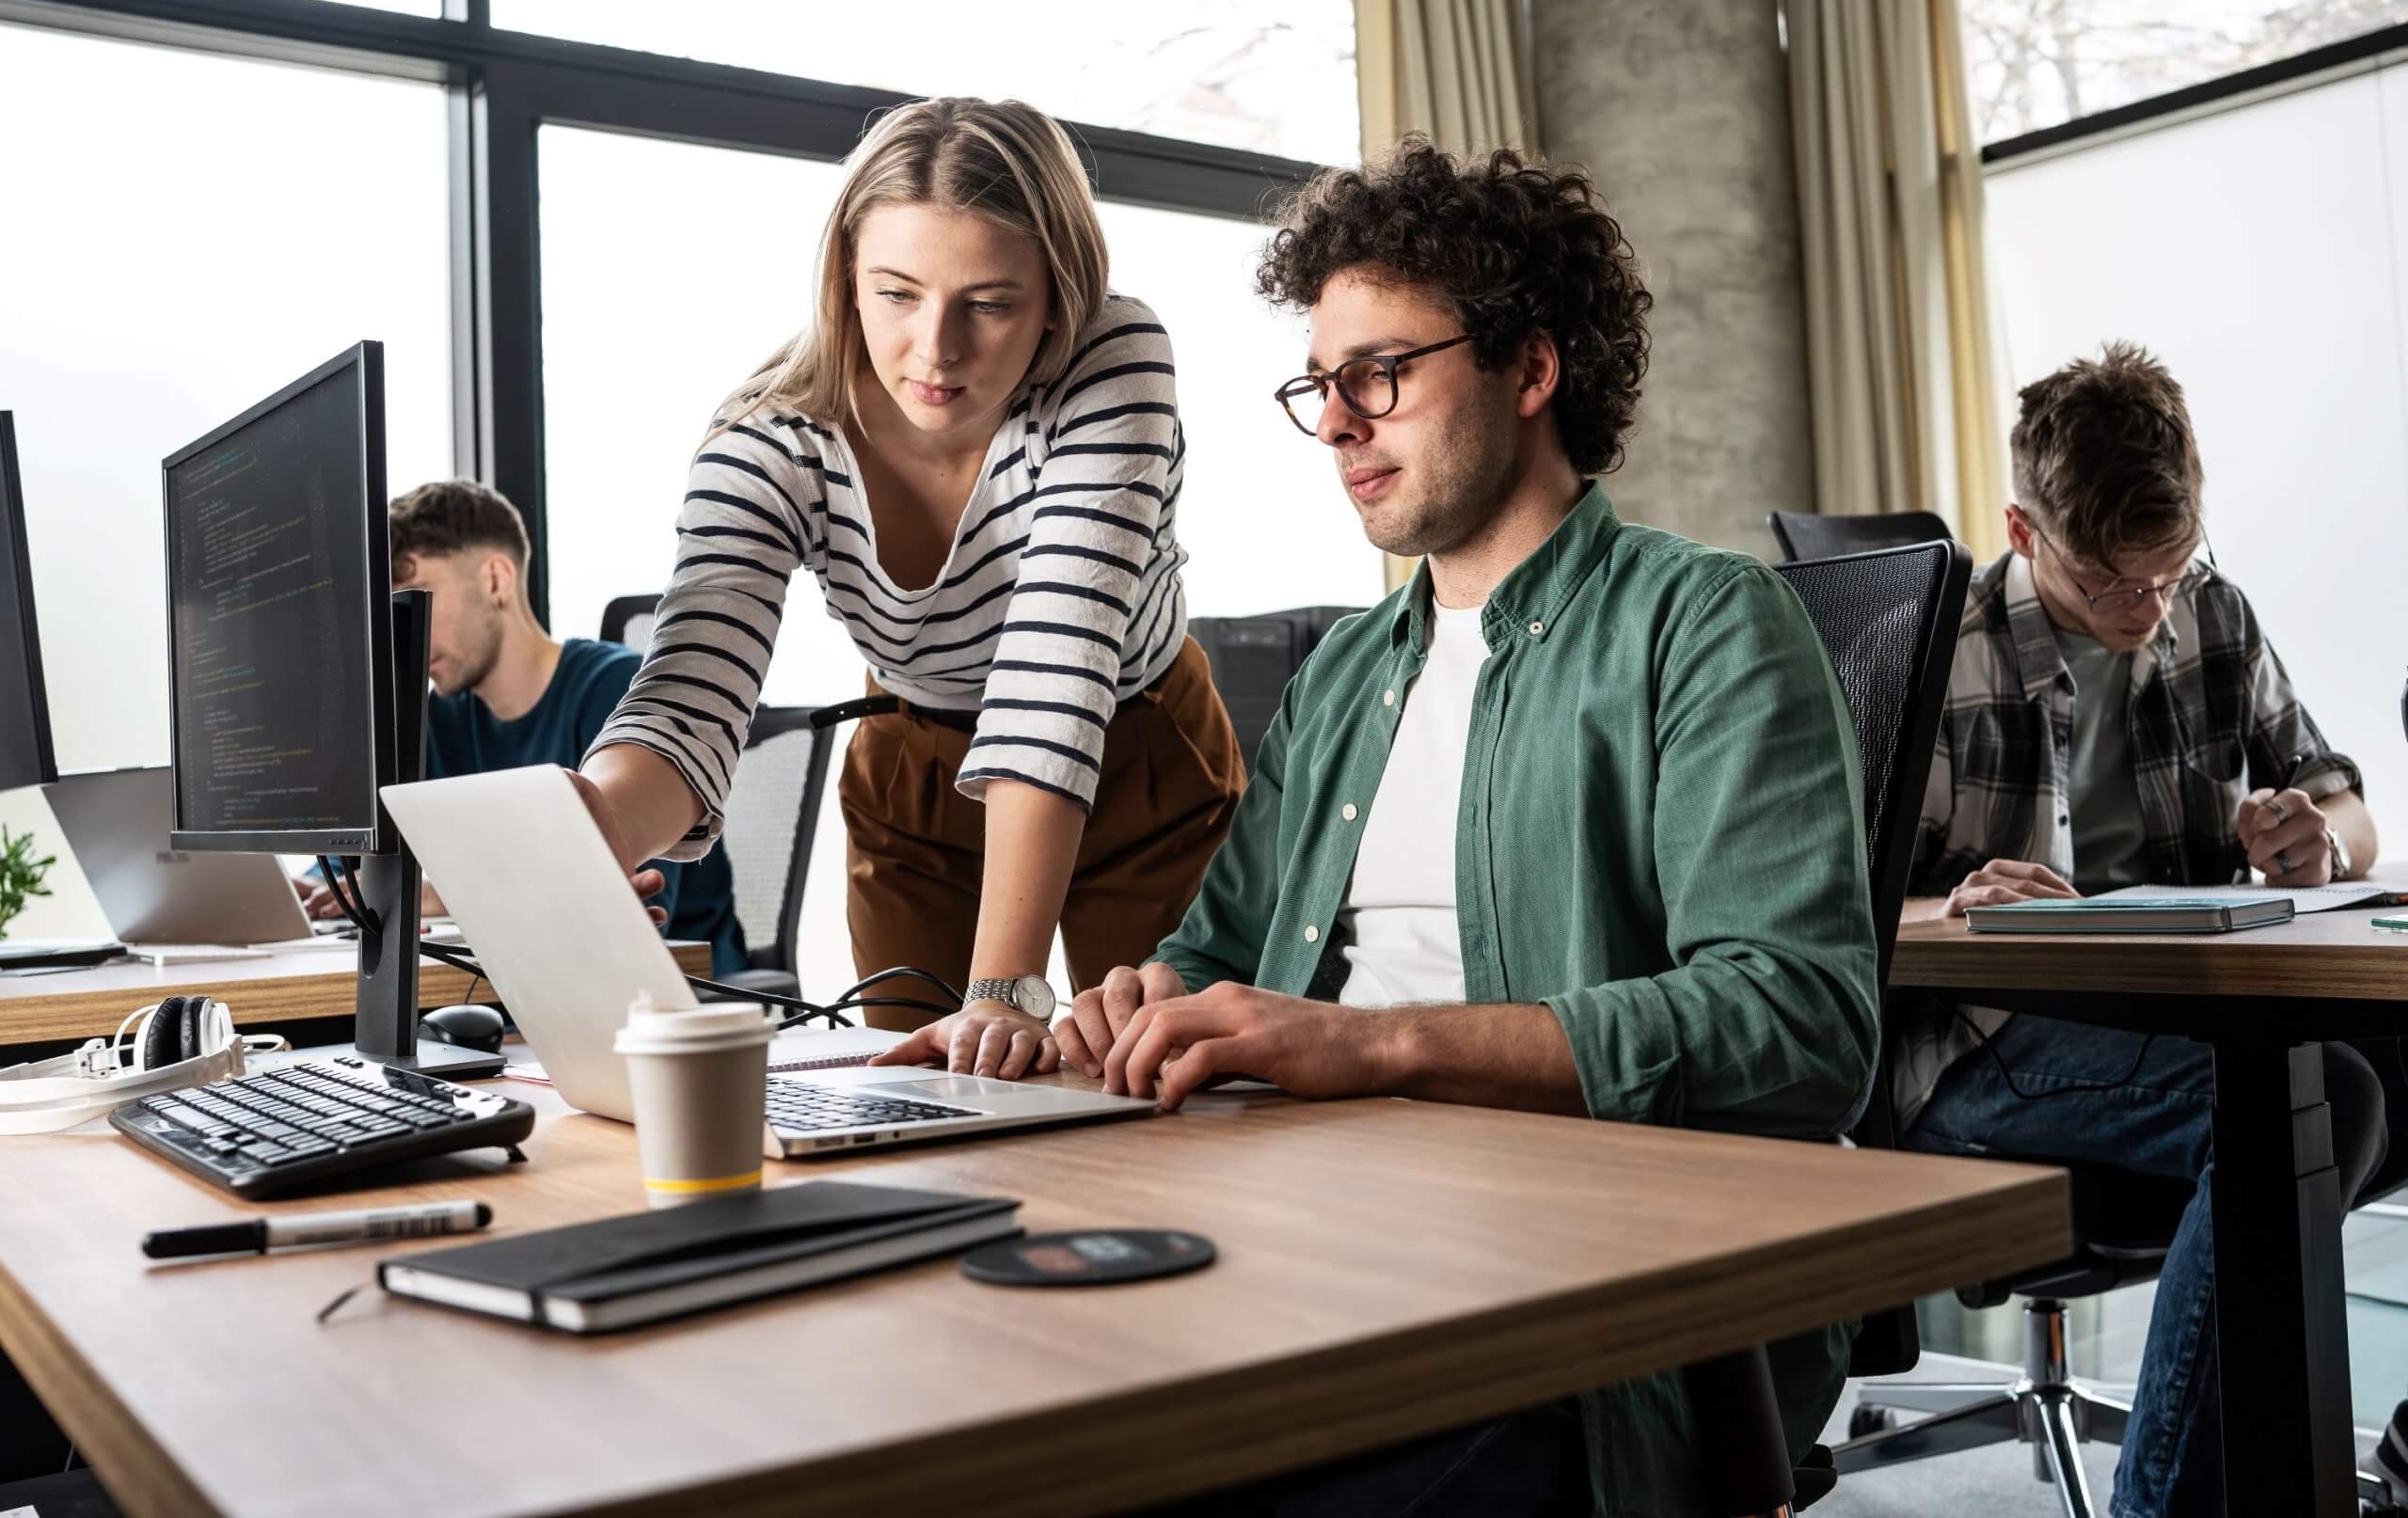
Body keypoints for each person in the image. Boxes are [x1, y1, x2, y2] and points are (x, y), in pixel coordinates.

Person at [1042, 141, 1881, 1514]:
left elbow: (1799, 1022)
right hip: (1301, 1217)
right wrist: (1134, 1006)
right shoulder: (1347, 669)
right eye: (1320, 384)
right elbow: (1219, 948)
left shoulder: (1707, 622)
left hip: (1552, 1275)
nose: (1336, 423)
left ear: (1530, 369)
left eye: (1379, 374)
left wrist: (1375, 1047)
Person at [572, 97, 1244, 1064]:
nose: (936, 350)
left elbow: (1052, 681)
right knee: (924, 1103)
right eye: (896, 294)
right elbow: (689, 692)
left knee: (1159, 1079)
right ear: (843, 277)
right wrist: (588, 829)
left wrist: (1006, 992)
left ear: (1058, 293)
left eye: (989, 303)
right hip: (911, 764)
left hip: (1134, 750)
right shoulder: (768, 436)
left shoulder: (1112, 360)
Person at [1893, 341, 2400, 1517]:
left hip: (2181, 1014)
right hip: (1974, 1035)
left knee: (2369, 1084)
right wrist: (1951, 903)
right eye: (2115, 583)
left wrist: (2315, 835)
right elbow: (1817, 907)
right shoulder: (1942, 652)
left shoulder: (2208, 612)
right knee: (2310, 1107)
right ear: (2024, 534)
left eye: (2169, 573)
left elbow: (2346, 801)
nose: (2148, 608)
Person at [299, 481, 747, 976]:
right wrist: (312, 890)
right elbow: (364, 865)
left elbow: (621, 887)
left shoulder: (621, 691)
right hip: (513, 981)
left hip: (681, 994)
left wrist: (431, 891)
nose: (403, 630)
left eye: (417, 597)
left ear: (495, 579)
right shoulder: (439, 721)